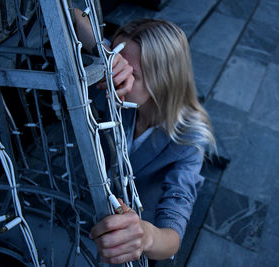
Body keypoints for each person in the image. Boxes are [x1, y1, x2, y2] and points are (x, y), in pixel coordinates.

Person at [75, 11, 216, 264]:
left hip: (136, 231)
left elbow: (173, 231)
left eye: (132, 75)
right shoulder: (116, 90)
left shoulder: (189, 138)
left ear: (162, 80)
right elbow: (73, 17)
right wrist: (103, 51)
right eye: (115, 66)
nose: (113, 80)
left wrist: (146, 237)